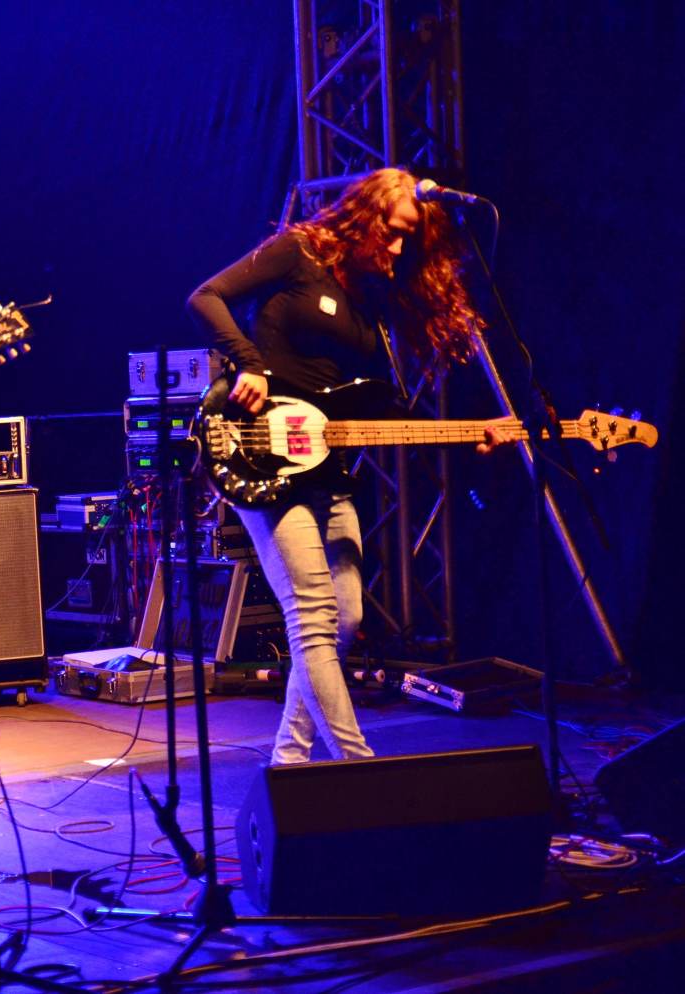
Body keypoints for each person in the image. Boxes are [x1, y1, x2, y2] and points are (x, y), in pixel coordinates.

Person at [187, 167, 506, 766]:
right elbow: (204, 296)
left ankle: (289, 763)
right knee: (311, 617)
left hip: (327, 469)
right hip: (263, 455)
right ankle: (360, 765)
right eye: (393, 231)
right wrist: (249, 363)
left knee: (347, 618)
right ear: (364, 216)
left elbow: (377, 410)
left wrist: (472, 437)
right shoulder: (297, 251)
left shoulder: (373, 299)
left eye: (408, 238)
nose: (398, 248)